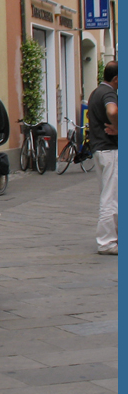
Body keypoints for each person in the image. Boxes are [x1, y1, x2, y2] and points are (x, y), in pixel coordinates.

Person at [87, 61, 118, 254]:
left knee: (108, 194)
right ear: (115, 79)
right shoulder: (108, 93)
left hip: (99, 149)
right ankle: (107, 242)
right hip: (110, 150)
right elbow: (112, 110)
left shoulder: (95, 92)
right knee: (111, 197)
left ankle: (113, 236)